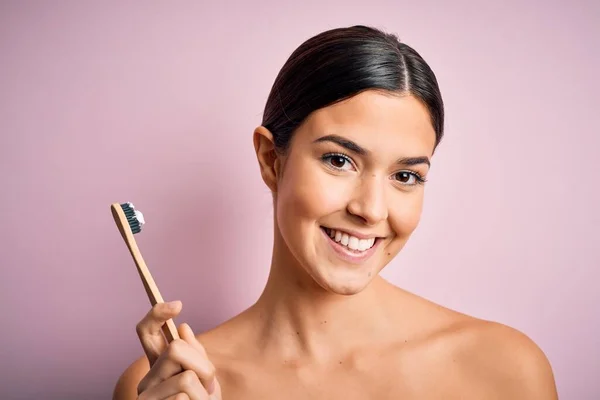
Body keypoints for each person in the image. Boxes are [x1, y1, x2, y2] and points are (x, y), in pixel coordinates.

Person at [113, 25, 558, 399]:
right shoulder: (163, 384)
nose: (371, 210)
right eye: (339, 160)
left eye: (406, 176)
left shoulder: (506, 370)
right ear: (272, 160)